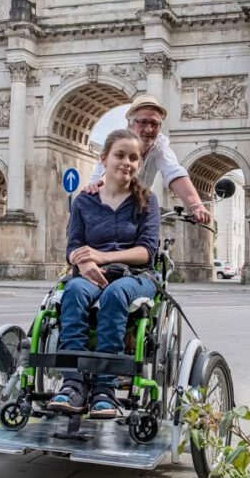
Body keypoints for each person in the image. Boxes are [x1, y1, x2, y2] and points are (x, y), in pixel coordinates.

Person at [48, 129, 161, 418]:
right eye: (120, 155)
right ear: (104, 158)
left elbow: (147, 252)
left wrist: (101, 256)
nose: (127, 162)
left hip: (136, 276)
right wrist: (82, 262)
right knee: (72, 290)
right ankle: (73, 384)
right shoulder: (84, 201)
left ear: (139, 163)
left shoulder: (147, 201)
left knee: (115, 293)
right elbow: (73, 245)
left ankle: (104, 388)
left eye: (134, 157)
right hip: (91, 273)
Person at [84, 94, 211, 224]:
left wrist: (197, 206)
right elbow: (106, 175)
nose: (149, 129)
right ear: (130, 123)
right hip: (106, 207)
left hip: (138, 208)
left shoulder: (160, 144)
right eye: (143, 122)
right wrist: (97, 186)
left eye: (154, 124)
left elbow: (174, 172)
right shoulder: (116, 142)